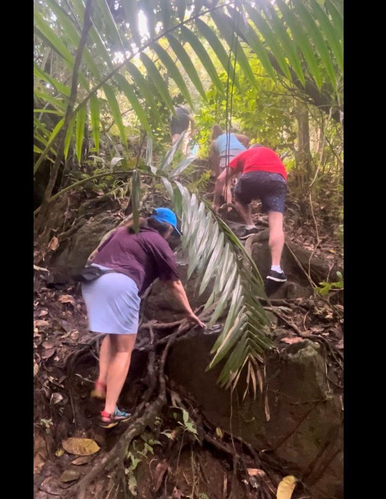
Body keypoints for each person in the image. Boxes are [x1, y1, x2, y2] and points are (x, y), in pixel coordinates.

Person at [82, 208, 205, 425]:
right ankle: (109, 412)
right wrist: (189, 312)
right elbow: (174, 283)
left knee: (112, 335)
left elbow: (96, 252)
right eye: (171, 232)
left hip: (93, 281)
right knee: (124, 350)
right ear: (167, 228)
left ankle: (101, 380)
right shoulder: (157, 241)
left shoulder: (123, 231)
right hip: (120, 284)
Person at [226, 145, 289, 283]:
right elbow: (280, 175)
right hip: (277, 180)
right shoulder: (272, 154)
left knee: (239, 198)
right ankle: (276, 269)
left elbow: (220, 179)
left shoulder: (246, 154)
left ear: (250, 149)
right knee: (276, 224)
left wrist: (215, 202)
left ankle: (250, 226)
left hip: (250, 177)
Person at [209, 125, 251, 208]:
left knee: (226, 184)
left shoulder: (214, 142)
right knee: (241, 181)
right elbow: (246, 138)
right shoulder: (231, 135)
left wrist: (219, 175)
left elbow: (214, 161)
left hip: (227, 154)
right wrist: (242, 150)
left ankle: (225, 207)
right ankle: (244, 206)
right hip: (243, 155)